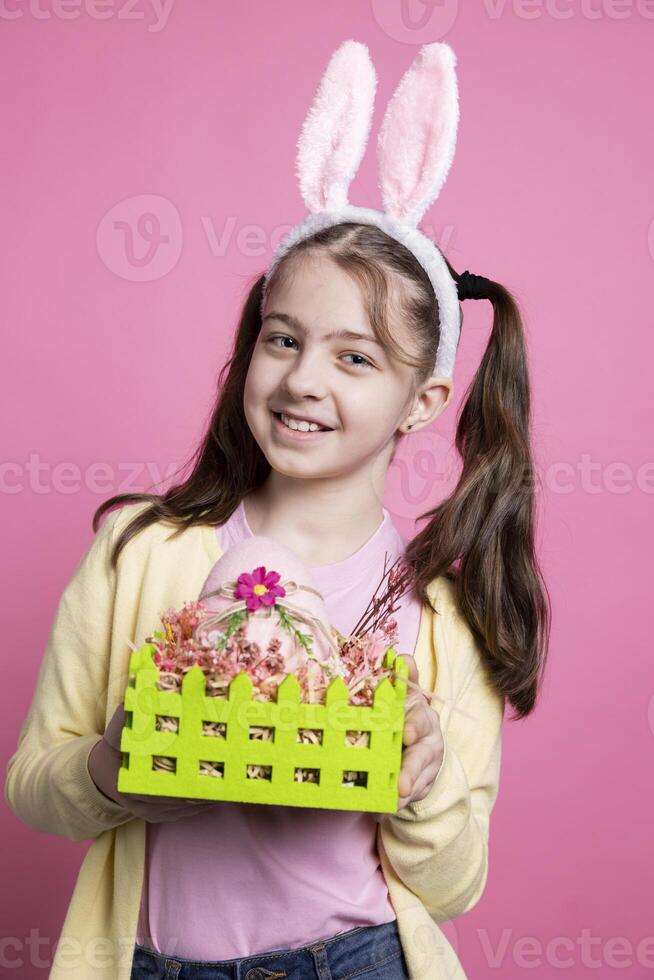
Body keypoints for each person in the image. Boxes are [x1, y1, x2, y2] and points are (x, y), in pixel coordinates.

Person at [4, 39, 550, 980]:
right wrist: (111, 766)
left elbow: (455, 886)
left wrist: (422, 787)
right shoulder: (143, 554)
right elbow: (34, 788)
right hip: (154, 962)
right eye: (283, 338)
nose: (303, 380)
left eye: (355, 357)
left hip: (361, 959)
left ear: (422, 402)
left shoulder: (440, 617)